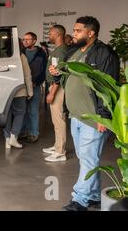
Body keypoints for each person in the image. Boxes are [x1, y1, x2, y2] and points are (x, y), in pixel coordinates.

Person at [49, 16, 119, 211]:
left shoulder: (105, 54)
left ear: (91, 33)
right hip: (76, 116)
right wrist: (58, 72)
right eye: (75, 29)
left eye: (78, 30)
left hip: (93, 118)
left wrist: (104, 116)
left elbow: (108, 88)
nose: (75, 33)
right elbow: (70, 74)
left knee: (89, 158)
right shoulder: (74, 52)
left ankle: (79, 200)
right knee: (86, 158)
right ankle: (94, 196)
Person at [43, 25, 69, 162]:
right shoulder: (58, 50)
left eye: (51, 33)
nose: (49, 35)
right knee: (55, 119)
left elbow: (58, 75)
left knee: (59, 119)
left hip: (56, 88)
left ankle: (60, 152)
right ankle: (57, 145)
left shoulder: (60, 52)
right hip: (54, 87)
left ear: (58, 34)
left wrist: (52, 93)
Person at [4, 38, 33, 149]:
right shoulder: (21, 56)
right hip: (18, 91)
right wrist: (30, 91)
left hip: (5, 92)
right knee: (20, 113)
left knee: (6, 115)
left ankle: (6, 139)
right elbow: (27, 74)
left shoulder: (0, 56)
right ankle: (13, 137)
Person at [21, 32, 47, 143]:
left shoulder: (41, 53)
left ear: (34, 40)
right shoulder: (21, 53)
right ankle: (24, 131)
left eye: (28, 39)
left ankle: (33, 133)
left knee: (33, 110)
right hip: (22, 86)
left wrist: (36, 82)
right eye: (24, 39)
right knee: (23, 110)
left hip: (35, 86)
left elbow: (44, 70)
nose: (25, 41)